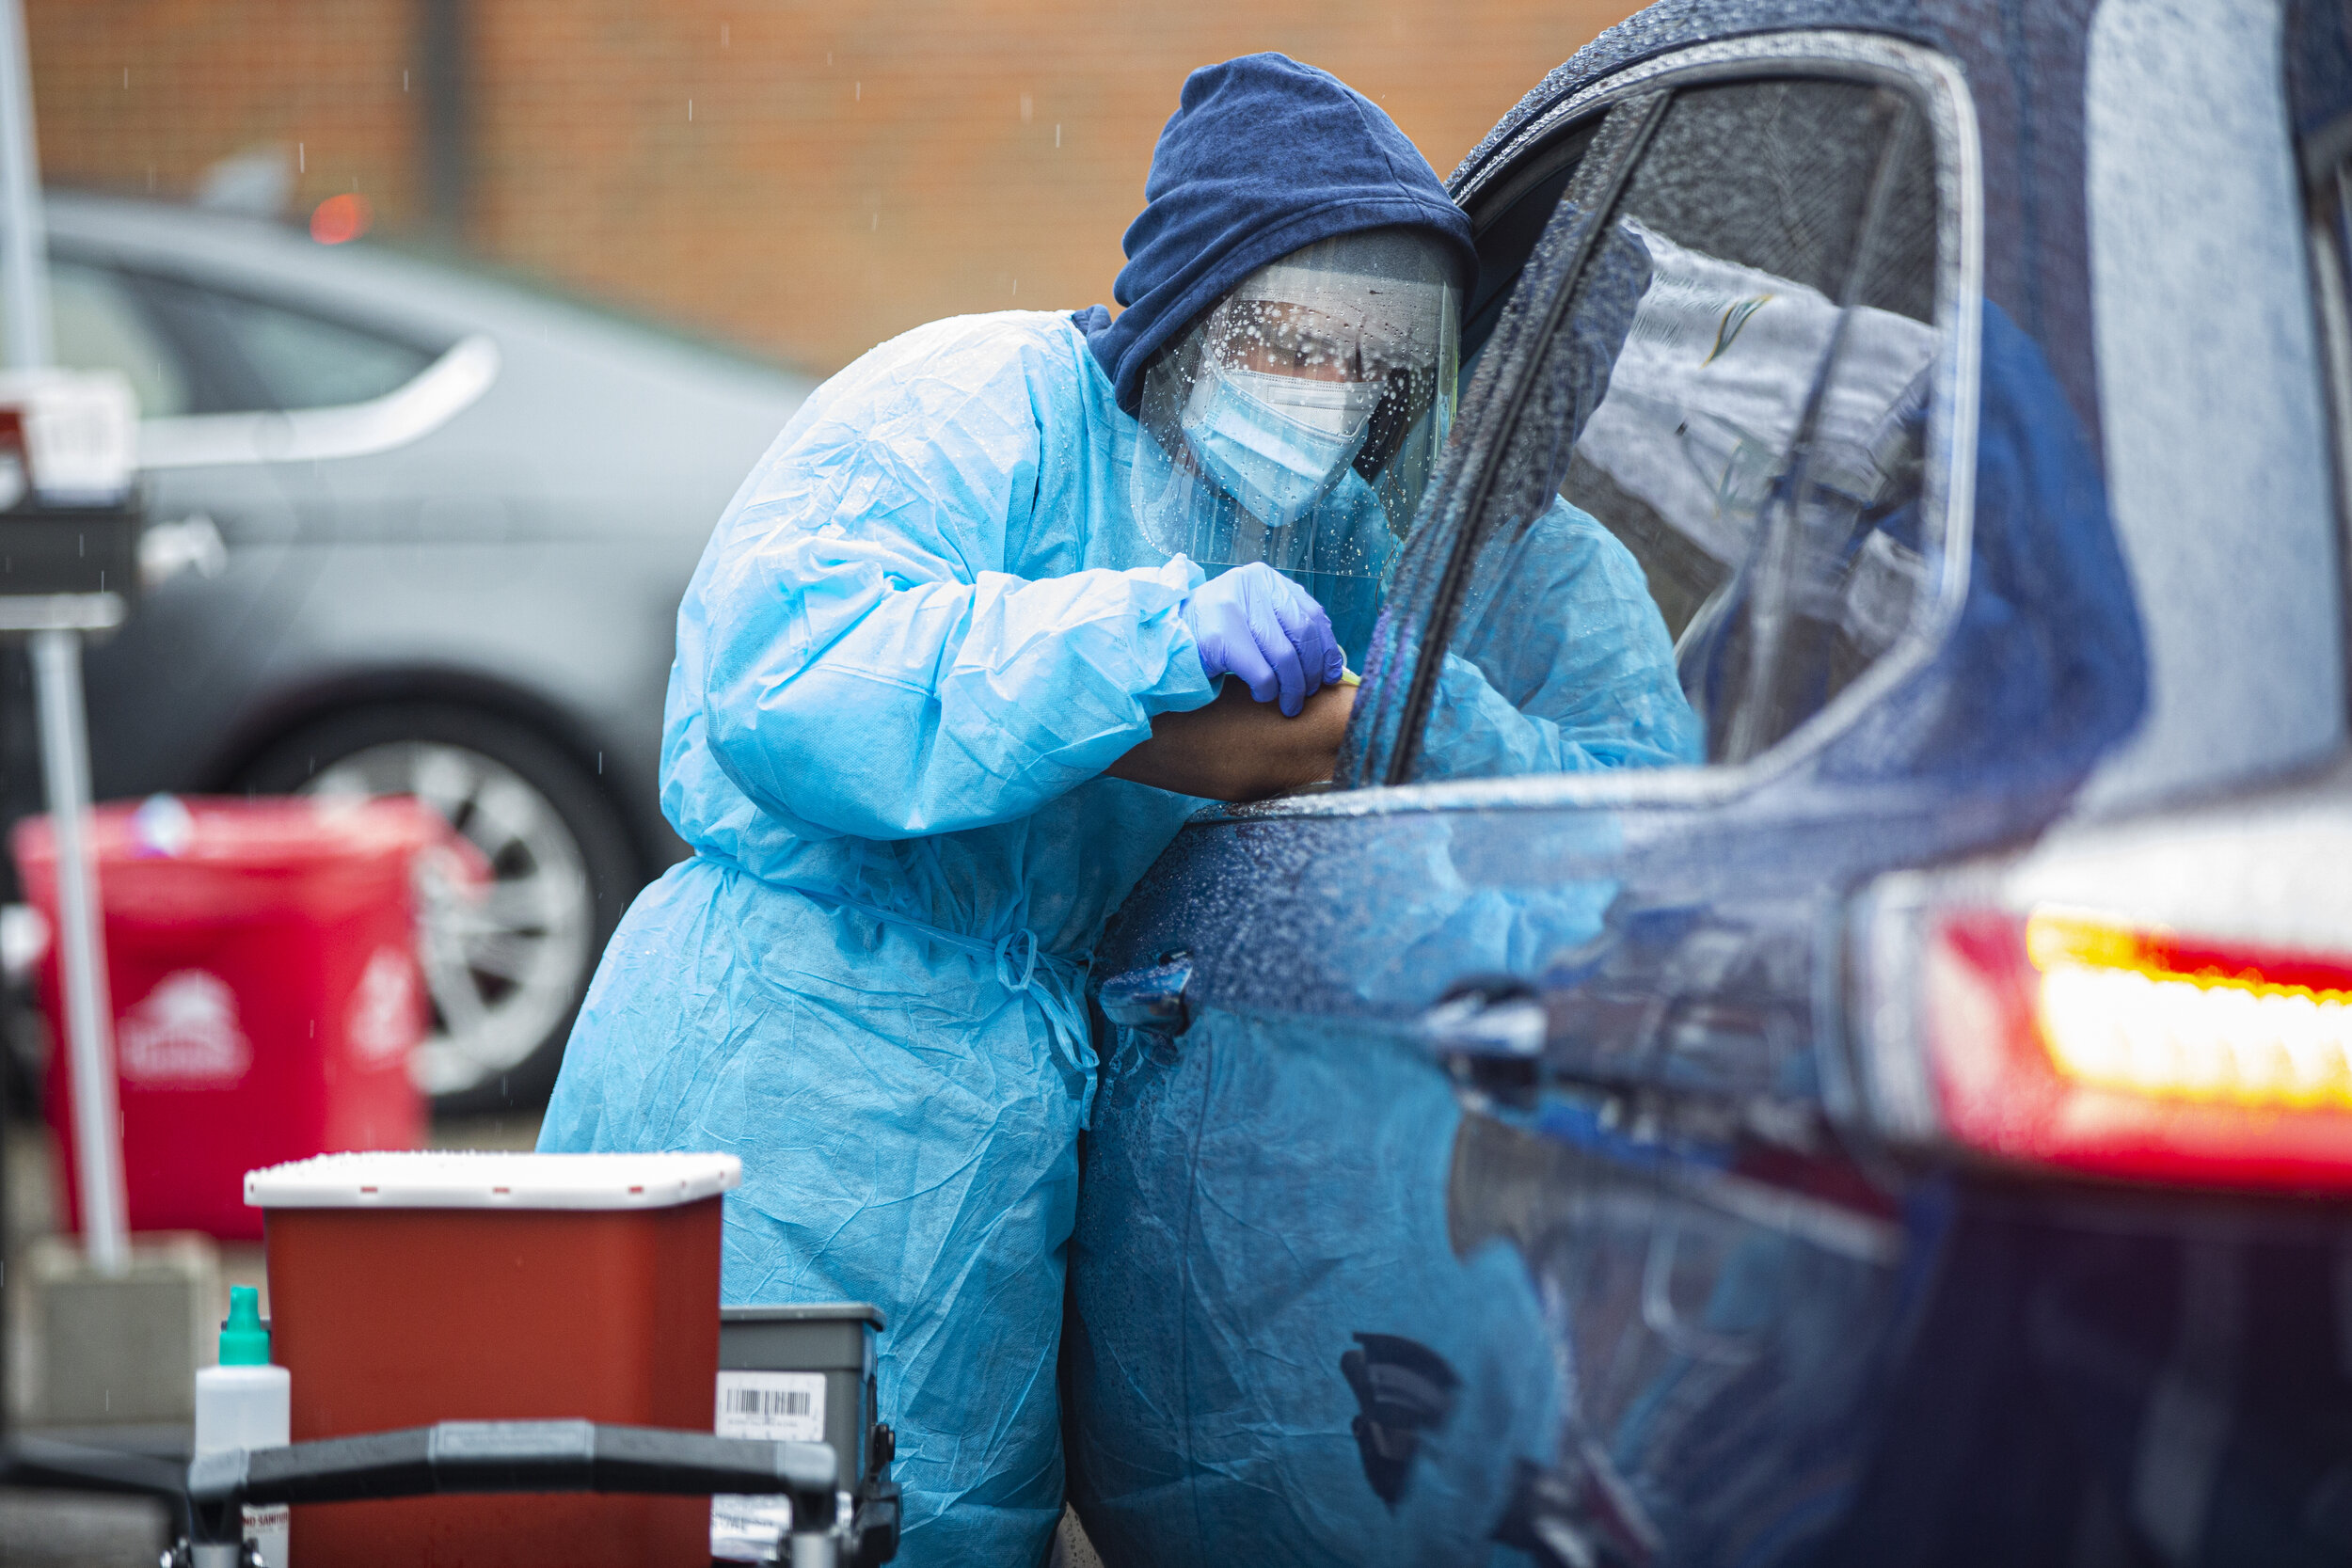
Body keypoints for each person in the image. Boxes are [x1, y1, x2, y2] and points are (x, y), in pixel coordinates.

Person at [539, 53, 1691, 1565]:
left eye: (1365, 364)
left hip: (1016, 1126)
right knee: (702, 1516)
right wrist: (1137, 634)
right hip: (785, 1064)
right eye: (1289, 338)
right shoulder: (973, 401)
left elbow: (1435, 769)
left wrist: (1425, 712)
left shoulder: (1322, 535)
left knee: (932, 1522)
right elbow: (789, 673)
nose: (1322, 391)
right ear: (1190, 301)